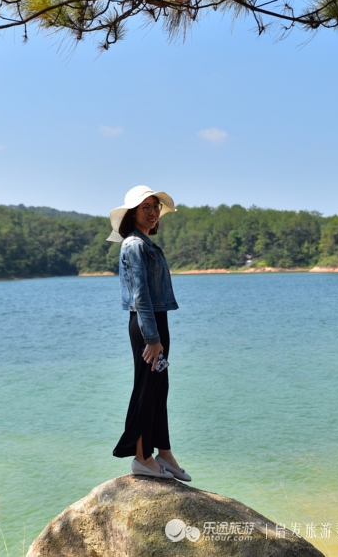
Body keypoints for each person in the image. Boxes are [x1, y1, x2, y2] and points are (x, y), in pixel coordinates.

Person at [106, 185, 191, 481]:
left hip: (157, 320)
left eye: (156, 207)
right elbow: (140, 295)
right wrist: (152, 339)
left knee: (159, 388)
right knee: (146, 388)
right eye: (147, 207)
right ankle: (142, 459)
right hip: (146, 325)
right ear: (133, 213)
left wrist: (157, 333)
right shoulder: (133, 245)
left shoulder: (145, 242)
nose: (154, 212)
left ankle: (163, 452)